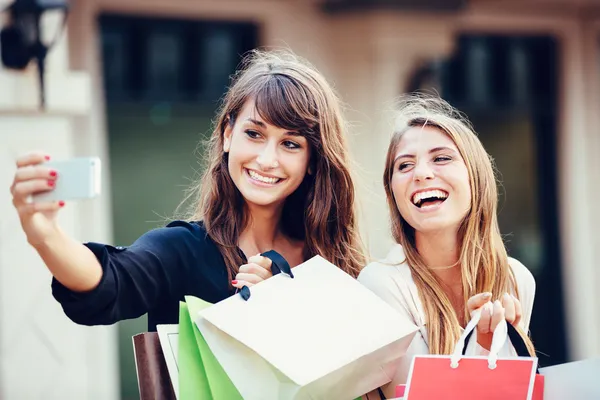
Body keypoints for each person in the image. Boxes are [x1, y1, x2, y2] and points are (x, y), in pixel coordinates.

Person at [10, 49, 365, 332]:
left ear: (313, 160)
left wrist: (285, 310)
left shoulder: (331, 260)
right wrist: (46, 236)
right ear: (228, 135)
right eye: (254, 134)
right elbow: (110, 282)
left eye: (290, 144)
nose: (266, 159)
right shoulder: (182, 250)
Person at [358, 94, 536, 398]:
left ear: (476, 178)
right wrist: (481, 347)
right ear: (394, 193)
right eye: (404, 165)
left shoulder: (516, 279)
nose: (422, 173)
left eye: (441, 158)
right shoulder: (380, 285)